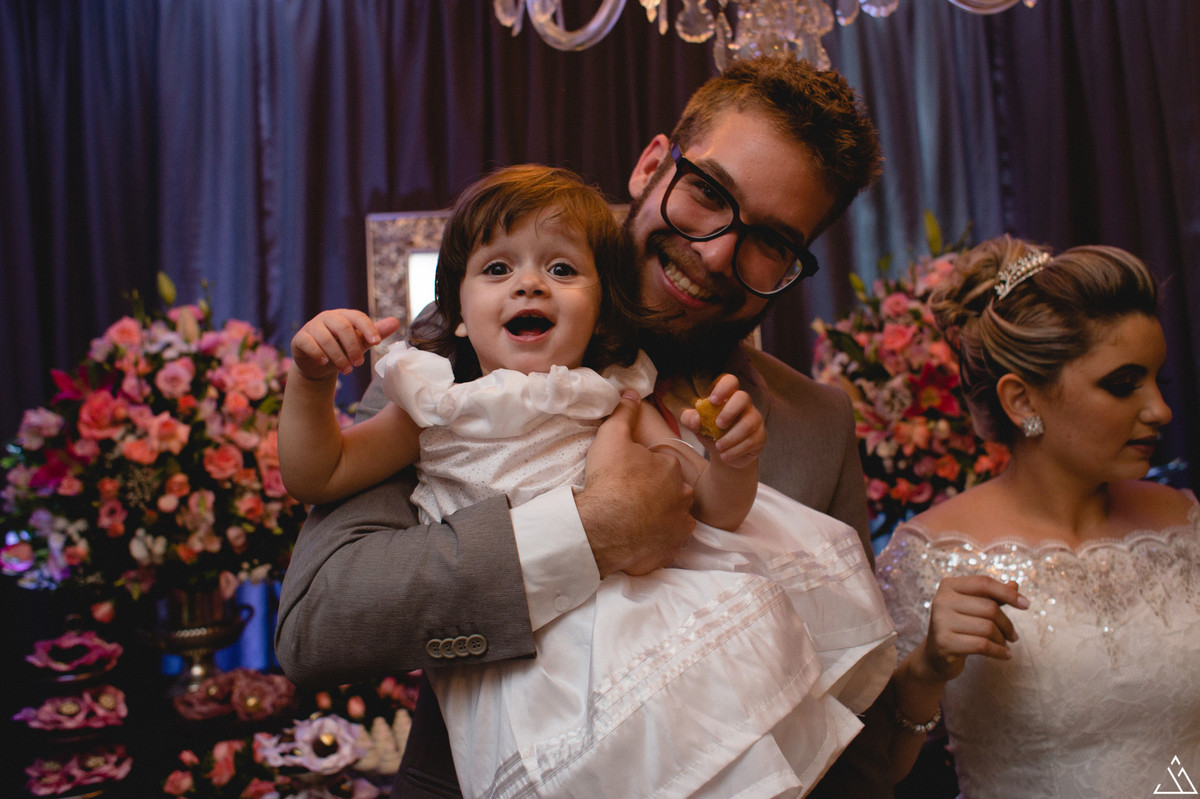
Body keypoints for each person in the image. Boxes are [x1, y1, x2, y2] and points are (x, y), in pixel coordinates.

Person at [275, 55, 891, 797]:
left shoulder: (816, 423)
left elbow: (851, 742)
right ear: (652, 165)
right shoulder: (466, 353)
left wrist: (923, 687)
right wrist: (588, 533)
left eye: (772, 241)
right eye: (707, 193)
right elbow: (320, 615)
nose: (717, 251)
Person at [875, 236, 1200, 798]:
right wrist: (926, 669)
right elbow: (877, 772)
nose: (1161, 410)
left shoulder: (1185, 524)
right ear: (1022, 401)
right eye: (1123, 385)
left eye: (1158, 380)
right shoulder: (927, 556)